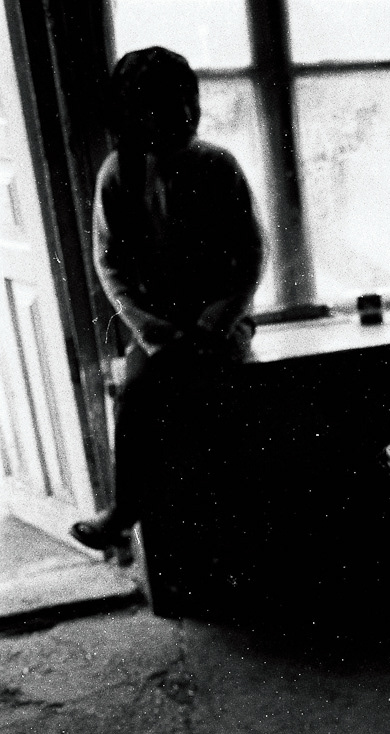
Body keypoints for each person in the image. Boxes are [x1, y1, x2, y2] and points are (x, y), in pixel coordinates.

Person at [71, 46, 263, 551]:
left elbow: (250, 255)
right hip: (156, 326)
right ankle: (127, 510)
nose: (180, 113)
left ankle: (228, 536)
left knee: (209, 400)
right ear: (131, 113)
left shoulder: (217, 165)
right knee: (139, 394)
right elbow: (108, 261)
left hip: (219, 320)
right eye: (161, 104)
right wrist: (148, 326)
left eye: (187, 99)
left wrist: (217, 319)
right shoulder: (119, 173)